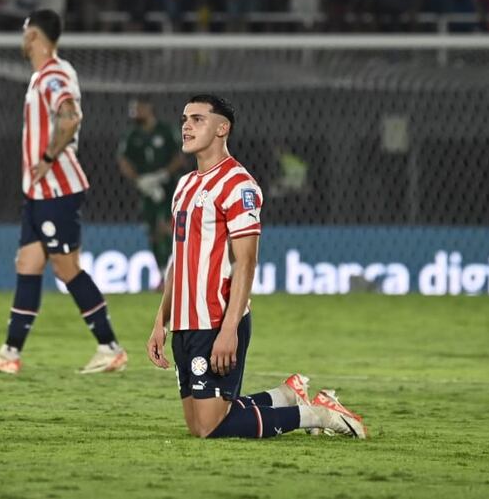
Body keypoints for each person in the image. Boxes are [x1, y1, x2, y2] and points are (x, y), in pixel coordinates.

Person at [145, 94, 367, 439]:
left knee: (209, 426)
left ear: (223, 128)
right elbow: (179, 259)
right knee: (198, 423)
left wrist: (229, 328)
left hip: (217, 319)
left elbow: (246, 262)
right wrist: (161, 321)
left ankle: (318, 415)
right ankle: (287, 394)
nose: (186, 126)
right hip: (184, 323)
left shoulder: (239, 184)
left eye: (198, 119)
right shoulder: (184, 186)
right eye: (184, 119)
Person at [0, 9, 127, 375]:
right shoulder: (45, 75)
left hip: (57, 189)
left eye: (25, 32)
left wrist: (47, 157)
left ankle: (110, 347)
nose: (22, 39)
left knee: (67, 269)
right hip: (40, 193)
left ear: (34, 35)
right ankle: (10, 352)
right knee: (28, 265)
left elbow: (69, 117)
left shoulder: (53, 74)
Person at [117, 97, 184, 278]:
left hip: (170, 187)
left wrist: (162, 175)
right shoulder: (132, 134)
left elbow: (180, 156)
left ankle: (176, 269)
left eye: (137, 108)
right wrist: (139, 180)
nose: (134, 112)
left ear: (148, 108)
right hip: (147, 190)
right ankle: (163, 274)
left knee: (167, 226)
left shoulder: (166, 130)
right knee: (153, 230)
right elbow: (123, 160)